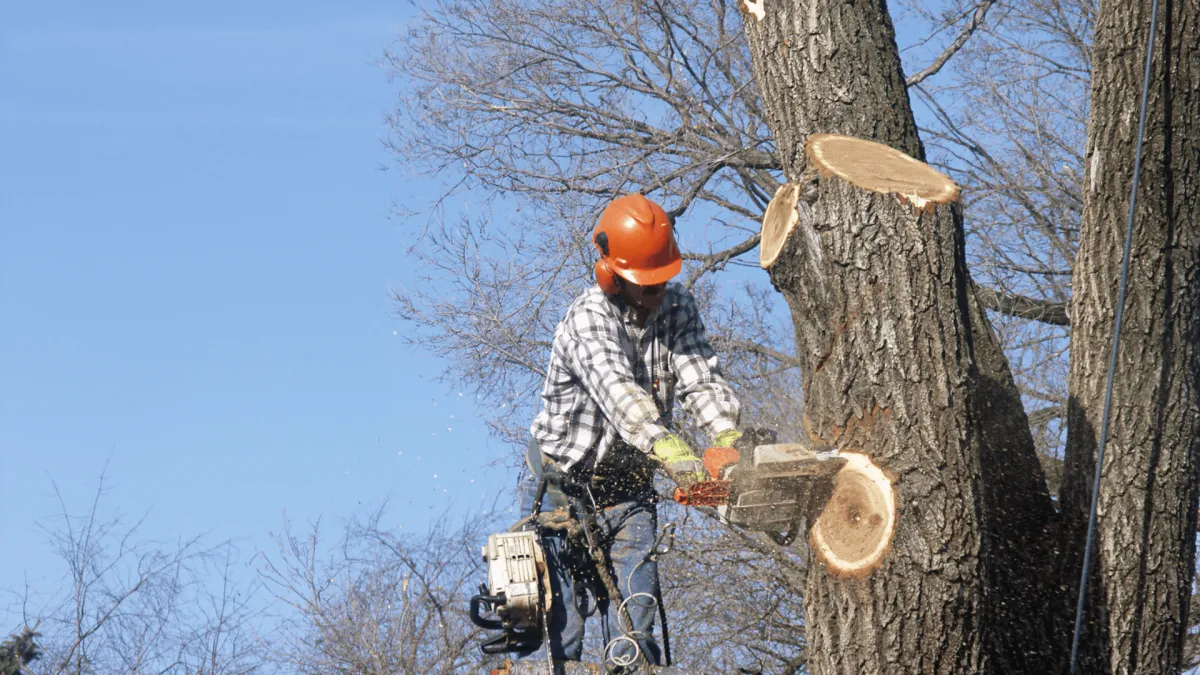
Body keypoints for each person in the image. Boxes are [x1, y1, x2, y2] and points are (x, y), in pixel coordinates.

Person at [517, 193, 743, 670]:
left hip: (629, 486)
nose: (658, 291)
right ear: (611, 274)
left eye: (663, 280)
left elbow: (699, 373)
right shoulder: (588, 319)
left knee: (638, 617)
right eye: (648, 284)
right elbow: (619, 393)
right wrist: (672, 449)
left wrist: (725, 438)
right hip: (561, 485)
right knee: (563, 630)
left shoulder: (677, 306)